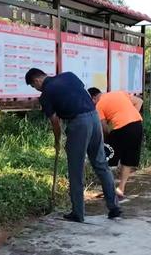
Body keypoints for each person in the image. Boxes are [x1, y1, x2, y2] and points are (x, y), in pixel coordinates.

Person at [24, 68, 121, 223]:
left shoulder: (46, 95)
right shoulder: (69, 76)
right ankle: (114, 207)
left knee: (75, 169)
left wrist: (57, 140)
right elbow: (80, 94)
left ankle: (78, 213)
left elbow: (55, 121)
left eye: (34, 86)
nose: (36, 89)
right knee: (101, 164)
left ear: (36, 81)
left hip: (79, 124)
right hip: (94, 118)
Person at [88, 88, 143, 198]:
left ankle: (109, 189)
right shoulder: (120, 93)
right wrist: (131, 118)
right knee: (128, 159)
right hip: (137, 125)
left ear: (94, 98)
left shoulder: (99, 105)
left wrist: (105, 141)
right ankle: (121, 188)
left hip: (122, 128)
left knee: (106, 157)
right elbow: (139, 101)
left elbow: (104, 129)